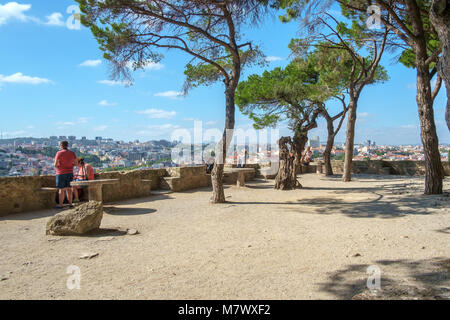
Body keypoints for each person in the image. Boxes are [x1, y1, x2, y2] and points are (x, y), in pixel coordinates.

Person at [54, 141, 77, 209]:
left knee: (61, 189)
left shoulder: (59, 153)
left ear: (61, 146)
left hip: (61, 173)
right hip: (70, 172)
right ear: (67, 145)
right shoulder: (72, 153)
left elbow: (55, 164)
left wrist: (60, 166)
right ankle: (70, 204)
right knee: (69, 189)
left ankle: (61, 205)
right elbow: (76, 163)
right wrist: (70, 165)